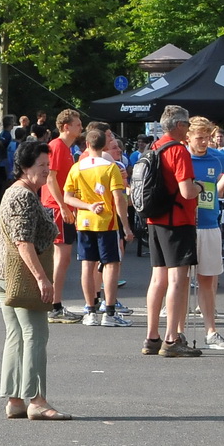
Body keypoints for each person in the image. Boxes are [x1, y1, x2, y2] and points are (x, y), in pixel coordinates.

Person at [0, 140, 71, 419]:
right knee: (35, 333)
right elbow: (23, 241)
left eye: (49, 165)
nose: (47, 171)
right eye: (41, 166)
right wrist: (42, 279)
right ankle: (37, 400)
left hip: (2, 272)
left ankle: (15, 400)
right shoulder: (23, 195)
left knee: (16, 335)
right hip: (19, 273)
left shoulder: (15, 192)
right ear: (24, 167)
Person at [144, 105, 202, 358]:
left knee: (158, 278)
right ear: (179, 125)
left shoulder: (155, 148)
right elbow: (187, 191)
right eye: (187, 125)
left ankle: (152, 336)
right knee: (178, 280)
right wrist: (200, 186)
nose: (188, 129)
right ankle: (172, 338)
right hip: (178, 220)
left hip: (155, 220)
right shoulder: (178, 151)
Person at [61, 125, 131, 327]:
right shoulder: (111, 168)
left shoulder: (76, 167)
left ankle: (90, 310)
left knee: (87, 265)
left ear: (87, 144)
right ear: (105, 144)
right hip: (106, 222)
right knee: (110, 265)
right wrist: (126, 227)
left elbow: (68, 197)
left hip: (84, 222)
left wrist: (88, 205)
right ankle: (108, 312)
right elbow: (119, 199)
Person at [185, 118, 224, 349]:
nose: (204, 142)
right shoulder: (182, 157)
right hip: (185, 225)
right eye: (199, 138)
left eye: (207, 137)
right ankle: (177, 331)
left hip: (209, 224)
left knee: (208, 278)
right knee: (180, 281)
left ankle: (211, 331)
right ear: (188, 137)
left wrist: (216, 190)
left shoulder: (217, 156)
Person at [40, 110, 82, 323]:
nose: (80, 127)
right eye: (77, 124)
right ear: (66, 126)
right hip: (56, 208)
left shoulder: (66, 148)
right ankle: (54, 306)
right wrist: (63, 207)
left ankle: (53, 304)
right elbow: (50, 179)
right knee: (61, 257)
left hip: (59, 206)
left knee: (60, 257)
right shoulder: (57, 146)